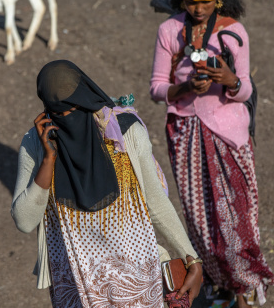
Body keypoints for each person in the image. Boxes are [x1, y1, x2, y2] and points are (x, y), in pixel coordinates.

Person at [11, 60, 203, 307]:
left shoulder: (124, 133)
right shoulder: (37, 143)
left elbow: (154, 201)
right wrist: (48, 161)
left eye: (73, 111)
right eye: (57, 113)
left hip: (137, 281)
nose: (66, 120)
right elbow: (24, 221)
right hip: (77, 287)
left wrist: (192, 259)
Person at [149, 0, 274, 308]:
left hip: (229, 134)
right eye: (191, 1)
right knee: (199, 218)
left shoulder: (234, 32)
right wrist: (185, 87)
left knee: (238, 219)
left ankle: (246, 289)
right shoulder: (169, 31)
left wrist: (230, 80)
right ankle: (219, 287)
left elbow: (246, 89)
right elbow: (157, 88)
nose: (198, 7)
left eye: (205, 0)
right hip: (185, 133)